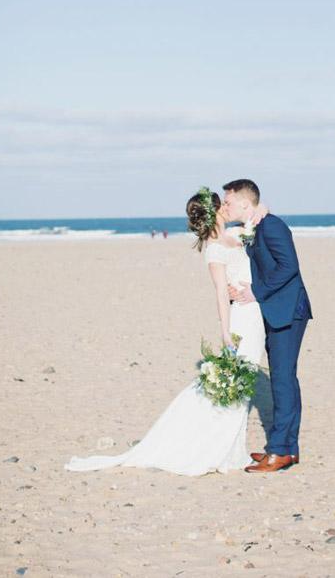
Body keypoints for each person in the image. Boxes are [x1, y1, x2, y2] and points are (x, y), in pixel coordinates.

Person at [65, 188, 265, 477]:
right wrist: (225, 332)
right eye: (221, 204)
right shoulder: (214, 249)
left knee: (244, 378)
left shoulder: (235, 235)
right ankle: (216, 447)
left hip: (254, 312)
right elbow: (221, 293)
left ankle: (231, 446)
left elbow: (257, 216)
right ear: (214, 212)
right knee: (238, 380)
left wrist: (262, 208)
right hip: (240, 320)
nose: (226, 207)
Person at [223, 179, 312, 473]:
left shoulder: (271, 225)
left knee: (282, 379)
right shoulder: (254, 225)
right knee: (286, 379)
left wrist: (256, 293)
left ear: (245, 203)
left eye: (229, 202)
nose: (225, 206)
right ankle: (289, 448)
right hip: (276, 309)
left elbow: (289, 266)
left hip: (287, 310)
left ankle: (279, 451)